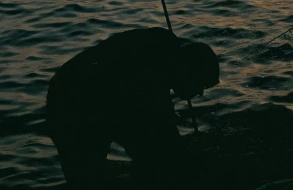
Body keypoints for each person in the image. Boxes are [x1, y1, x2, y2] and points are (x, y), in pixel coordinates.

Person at [46, 27, 219, 188]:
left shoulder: (164, 54)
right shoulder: (149, 77)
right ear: (189, 71)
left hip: (90, 91)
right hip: (71, 99)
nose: (200, 93)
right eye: (200, 84)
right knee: (86, 177)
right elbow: (161, 126)